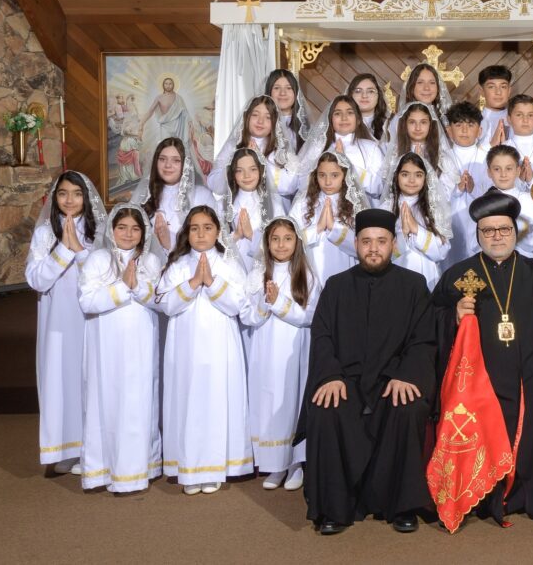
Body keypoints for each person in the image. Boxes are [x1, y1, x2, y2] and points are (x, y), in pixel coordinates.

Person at [432, 190, 533, 526]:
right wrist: (453, 315)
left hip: (531, 366)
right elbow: (430, 321)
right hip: (479, 372)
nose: (496, 236)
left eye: (503, 229)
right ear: (478, 234)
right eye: (488, 230)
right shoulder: (459, 275)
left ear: (515, 232)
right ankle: (476, 497)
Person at [301, 209, 437, 535]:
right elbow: (322, 337)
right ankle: (334, 508)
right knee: (326, 408)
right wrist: (330, 376)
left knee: (407, 406)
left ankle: (403, 506)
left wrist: (407, 375)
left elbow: (424, 340)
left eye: (381, 241)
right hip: (346, 380)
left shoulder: (414, 285)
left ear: (393, 244)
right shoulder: (336, 287)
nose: (373, 248)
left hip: (393, 379)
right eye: (366, 242)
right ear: (356, 244)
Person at [156, 205, 251, 495]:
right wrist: (193, 283)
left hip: (221, 346)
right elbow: (166, 304)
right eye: (194, 228)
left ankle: (214, 467)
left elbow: (239, 305)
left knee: (217, 400)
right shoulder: (177, 266)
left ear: (218, 232)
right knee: (188, 402)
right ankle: (189, 467)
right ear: (186, 232)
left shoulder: (229, 265)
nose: (200, 234)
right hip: (185, 348)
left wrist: (211, 282)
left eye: (207, 228)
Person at [77, 203, 163, 492]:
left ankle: (140, 467)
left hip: (141, 342)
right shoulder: (98, 260)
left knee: (139, 400)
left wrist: (137, 287)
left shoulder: (151, 262)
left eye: (135, 229)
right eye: (122, 227)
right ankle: (104, 468)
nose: (128, 234)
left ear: (143, 232)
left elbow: (160, 301)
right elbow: (87, 302)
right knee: (106, 398)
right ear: (112, 230)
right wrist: (122, 288)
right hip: (106, 345)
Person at [26, 171, 106, 475]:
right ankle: (66, 448)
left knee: (89, 380)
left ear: (86, 197)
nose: (69, 200)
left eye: (76, 193)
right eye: (63, 193)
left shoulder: (100, 232)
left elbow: (104, 276)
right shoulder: (44, 233)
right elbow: (36, 279)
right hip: (57, 323)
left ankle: (91, 449)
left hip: (89, 320)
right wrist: (63, 249)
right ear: (54, 197)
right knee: (60, 381)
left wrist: (80, 251)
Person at [241, 216, 320, 491]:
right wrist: (266, 304)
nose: (281, 244)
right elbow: (247, 316)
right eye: (275, 239)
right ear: (266, 242)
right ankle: (274, 465)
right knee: (268, 401)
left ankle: (295, 463)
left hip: (294, 349)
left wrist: (280, 303)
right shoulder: (257, 275)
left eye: (287, 239)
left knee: (292, 401)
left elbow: (310, 316)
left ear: (297, 242)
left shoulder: (307, 275)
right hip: (264, 348)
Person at [288, 149, 366, 284]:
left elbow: (363, 249)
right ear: (315, 176)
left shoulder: (355, 207)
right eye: (322, 175)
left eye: (335, 175)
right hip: (311, 277)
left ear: (345, 176)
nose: (328, 182)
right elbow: (289, 242)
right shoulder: (302, 205)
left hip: (345, 276)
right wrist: (317, 228)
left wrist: (334, 228)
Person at [131, 138, 216, 258]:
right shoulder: (143, 195)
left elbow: (212, 238)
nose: (167, 165)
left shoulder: (202, 196)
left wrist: (169, 242)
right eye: (162, 159)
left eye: (176, 160)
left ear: (185, 164)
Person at [380, 152, 452, 290]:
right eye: (405, 174)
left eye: (418, 175)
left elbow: (443, 252)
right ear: (396, 176)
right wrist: (402, 235)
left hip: (428, 276)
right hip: (395, 276)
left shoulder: (434, 209)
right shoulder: (385, 208)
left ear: (426, 178)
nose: (412, 180)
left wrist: (417, 230)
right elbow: (380, 251)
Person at [209, 95, 298, 202]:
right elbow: (214, 185)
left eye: (268, 117)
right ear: (247, 116)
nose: (260, 121)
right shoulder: (233, 145)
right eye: (255, 115)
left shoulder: (280, 149)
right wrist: (237, 163)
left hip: (273, 208)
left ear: (274, 122)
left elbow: (290, 186)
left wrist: (260, 161)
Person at [302, 95, 386, 204]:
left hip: (363, 209)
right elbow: (302, 184)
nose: (344, 118)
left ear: (358, 119)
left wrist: (346, 164)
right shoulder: (317, 148)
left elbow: (379, 188)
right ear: (330, 119)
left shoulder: (372, 148)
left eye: (350, 113)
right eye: (337, 113)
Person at [220, 148, 285, 271]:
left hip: (263, 269)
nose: (247, 176)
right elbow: (214, 241)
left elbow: (281, 241)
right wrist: (236, 235)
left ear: (261, 171)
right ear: (233, 174)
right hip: (232, 269)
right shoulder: (223, 205)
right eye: (240, 171)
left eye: (253, 169)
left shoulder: (274, 205)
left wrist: (251, 235)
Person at [484, 145, 533, 261]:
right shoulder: (483, 202)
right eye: (497, 169)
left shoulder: (529, 200)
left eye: (509, 169)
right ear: (489, 172)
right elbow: (473, 243)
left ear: (518, 170)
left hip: (524, 263)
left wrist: (521, 227)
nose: (503, 174)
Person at [445, 102, 490, 267]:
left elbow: (494, 191)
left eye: (470, 125)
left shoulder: (488, 158)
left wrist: (473, 189)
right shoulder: (441, 159)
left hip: (479, 222)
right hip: (451, 221)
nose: (464, 130)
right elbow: (436, 194)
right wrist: (457, 189)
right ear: (449, 131)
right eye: (458, 125)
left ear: (480, 131)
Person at [388, 101, 461, 197]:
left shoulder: (443, 159)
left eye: (423, 122)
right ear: (405, 125)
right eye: (412, 122)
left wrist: (424, 166)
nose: (418, 128)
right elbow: (389, 191)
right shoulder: (394, 156)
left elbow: (445, 196)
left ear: (430, 125)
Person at [386, 63, 453, 143]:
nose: (426, 88)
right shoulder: (400, 119)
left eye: (432, 82)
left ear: (438, 88)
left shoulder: (445, 119)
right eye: (420, 82)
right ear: (412, 87)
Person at [265, 69, 309, 154]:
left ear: (296, 93)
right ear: (269, 92)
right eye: (277, 88)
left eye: (288, 88)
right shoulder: (261, 124)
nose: (282, 93)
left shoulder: (306, 128)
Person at [478, 64, 514, 147]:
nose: (498, 92)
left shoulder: (518, 119)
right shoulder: (475, 121)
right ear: (481, 91)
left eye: (503, 87)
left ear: (509, 90)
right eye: (491, 87)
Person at [347, 73, 389, 142]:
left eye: (370, 91)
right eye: (358, 91)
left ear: (378, 95)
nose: (364, 96)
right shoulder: (343, 123)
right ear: (350, 95)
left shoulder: (389, 125)